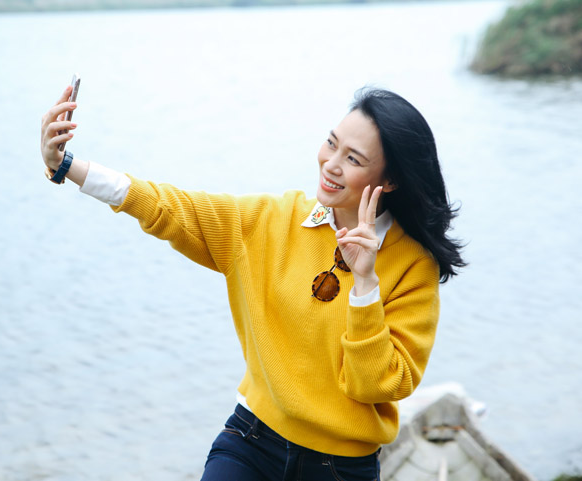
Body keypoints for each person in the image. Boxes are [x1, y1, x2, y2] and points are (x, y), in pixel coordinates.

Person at [40, 85, 465, 481]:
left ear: (390, 180)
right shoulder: (271, 221)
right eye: (331, 143)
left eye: (353, 159)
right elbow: (167, 206)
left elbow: (377, 385)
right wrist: (68, 166)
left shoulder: (413, 264)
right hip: (251, 442)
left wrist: (365, 284)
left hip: (340, 467)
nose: (330, 164)